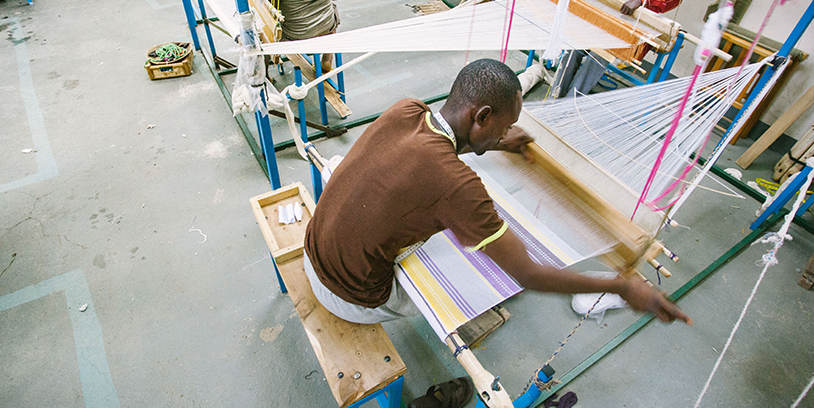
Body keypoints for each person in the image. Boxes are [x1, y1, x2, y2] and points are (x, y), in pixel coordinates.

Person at [303, 58, 691, 406]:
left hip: (313, 250)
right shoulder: (460, 188)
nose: (505, 133)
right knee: (473, 273)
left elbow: (442, 149)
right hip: (348, 296)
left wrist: (499, 143)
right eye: (503, 126)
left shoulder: (406, 110)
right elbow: (528, 274)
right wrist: (621, 286)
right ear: (482, 116)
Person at [278, 0, 338, 73]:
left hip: (295, 33)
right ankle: (327, 57)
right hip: (325, 26)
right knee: (332, 8)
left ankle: (266, 75)